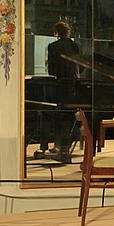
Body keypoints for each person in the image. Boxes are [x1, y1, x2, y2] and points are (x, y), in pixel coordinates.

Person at [37, 21, 82, 162]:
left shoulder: (53, 46)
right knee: (68, 116)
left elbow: (52, 70)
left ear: (56, 33)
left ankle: (54, 146)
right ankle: (63, 147)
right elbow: (80, 66)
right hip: (73, 85)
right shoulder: (75, 46)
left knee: (52, 114)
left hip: (59, 85)